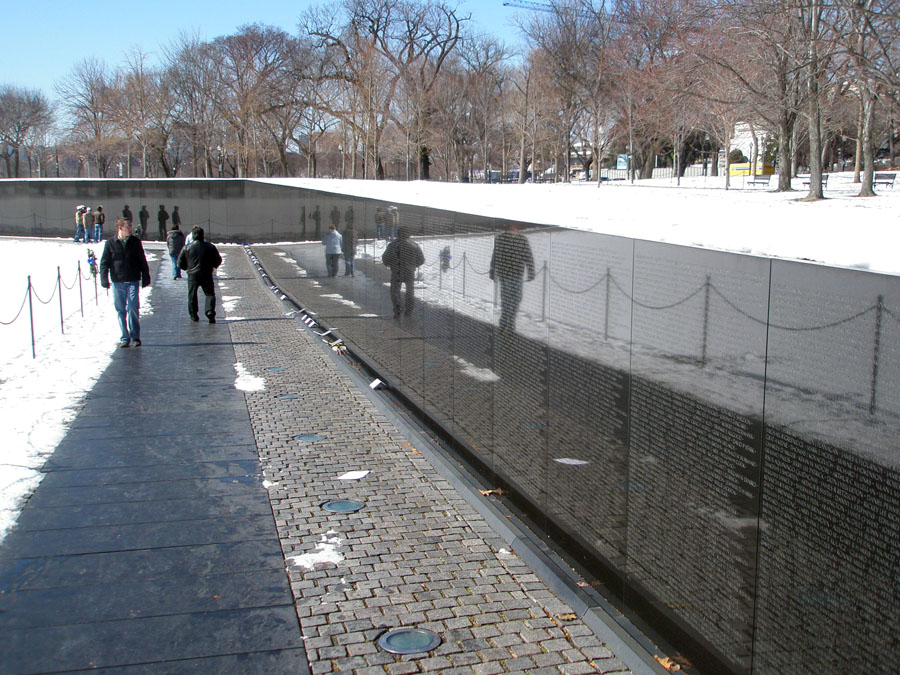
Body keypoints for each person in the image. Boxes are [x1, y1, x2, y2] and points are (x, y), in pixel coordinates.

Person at [100, 217, 151, 348]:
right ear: (120, 228)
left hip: (132, 279)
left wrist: (146, 276)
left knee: (133, 306)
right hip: (118, 281)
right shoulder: (111, 243)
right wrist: (104, 279)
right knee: (120, 310)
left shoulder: (135, 242)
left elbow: (142, 260)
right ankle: (124, 337)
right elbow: (104, 262)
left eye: (131, 226)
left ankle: (135, 336)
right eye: (128, 226)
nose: (131, 229)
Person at [489, 221, 535, 333]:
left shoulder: (522, 239)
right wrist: (493, 271)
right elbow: (495, 255)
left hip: (517, 274)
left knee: (516, 299)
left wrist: (531, 270)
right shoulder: (500, 239)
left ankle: (510, 320)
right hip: (505, 275)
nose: (513, 227)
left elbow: (527, 255)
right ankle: (506, 322)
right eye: (510, 225)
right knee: (507, 299)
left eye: (514, 225)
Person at [177, 225, 222, 323]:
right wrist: (213, 266)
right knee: (209, 293)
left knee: (192, 295)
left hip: (192, 275)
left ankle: (193, 315)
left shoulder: (187, 248)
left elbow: (180, 262)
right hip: (206, 274)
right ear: (202, 235)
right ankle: (210, 311)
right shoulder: (210, 247)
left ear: (193, 236)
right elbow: (218, 260)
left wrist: (187, 268)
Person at [382, 226, 424, 318]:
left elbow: (385, 258)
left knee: (395, 291)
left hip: (396, 271)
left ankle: (398, 309)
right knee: (410, 292)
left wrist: (390, 264)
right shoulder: (415, 245)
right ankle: (408, 311)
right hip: (410, 271)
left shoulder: (393, 245)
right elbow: (421, 259)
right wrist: (414, 265)